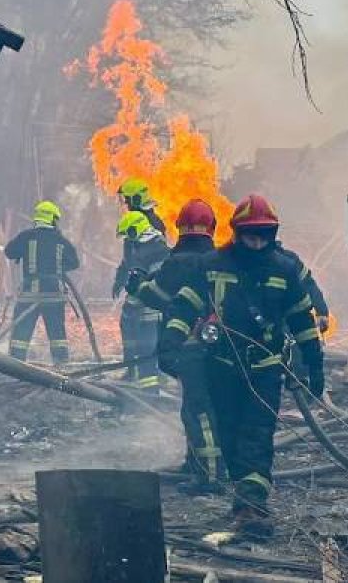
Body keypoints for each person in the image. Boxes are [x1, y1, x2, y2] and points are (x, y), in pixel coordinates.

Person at [158, 194, 324, 533]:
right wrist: (170, 342)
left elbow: (301, 320)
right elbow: (185, 305)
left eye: (263, 235)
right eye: (250, 234)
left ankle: (253, 506)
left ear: (272, 233)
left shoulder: (284, 269)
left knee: (257, 436)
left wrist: (314, 363)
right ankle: (242, 498)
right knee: (229, 436)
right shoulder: (212, 264)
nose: (257, 242)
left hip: (265, 370)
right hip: (221, 368)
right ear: (237, 232)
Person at [129, 199, 224, 490]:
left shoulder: (177, 263)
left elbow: (159, 297)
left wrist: (137, 285)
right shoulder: (221, 260)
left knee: (198, 410)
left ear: (179, 228)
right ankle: (196, 463)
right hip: (221, 347)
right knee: (205, 407)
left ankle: (209, 476)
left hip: (189, 346)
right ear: (212, 228)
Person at [3, 200, 79, 365]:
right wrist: (57, 267)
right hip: (53, 296)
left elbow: (9, 252)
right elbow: (75, 263)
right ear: (53, 219)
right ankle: (61, 367)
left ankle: (15, 366)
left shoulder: (25, 237)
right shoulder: (61, 241)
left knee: (21, 335)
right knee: (57, 335)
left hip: (30, 295)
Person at [114, 210, 171, 392]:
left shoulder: (155, 249)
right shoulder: (141, 245)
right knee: (134, 340)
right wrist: (120, 283)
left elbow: (157, 280)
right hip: (139, 306)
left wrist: (138, 284)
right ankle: (132, 371)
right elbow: (127, 267)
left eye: (129, 234)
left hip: (150, 309)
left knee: (147, 350)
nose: (128, 239)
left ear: (136, 230)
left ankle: (151, 392)